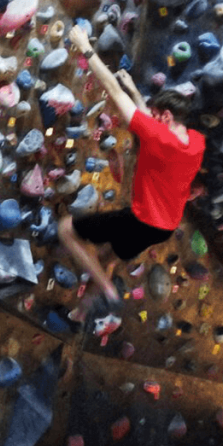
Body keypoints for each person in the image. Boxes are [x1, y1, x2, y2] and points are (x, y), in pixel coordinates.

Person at [58, 24, 205, 313]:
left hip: (143, 220)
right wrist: (135, 91)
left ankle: (107, 287)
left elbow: (112, 90)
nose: (147, 117)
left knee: (66, 229)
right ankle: (82, 311)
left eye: (153, 114)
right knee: (111, 254)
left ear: (164, 116)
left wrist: (84, 46)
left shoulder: (159, 136)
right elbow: (151, 125)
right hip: (165, 225)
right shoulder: (195, 141)